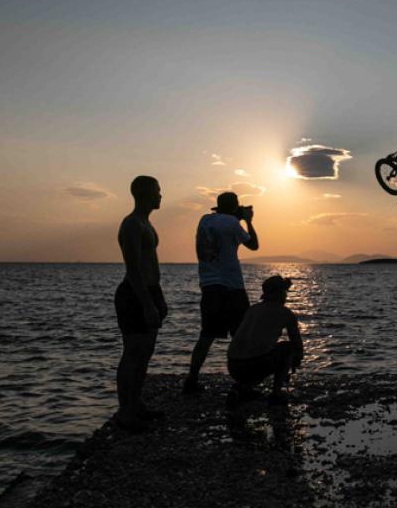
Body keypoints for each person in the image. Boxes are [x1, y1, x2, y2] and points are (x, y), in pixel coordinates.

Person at [183, 191, 259, 394]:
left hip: (208, 286)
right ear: (235, 207)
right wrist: (248, 221)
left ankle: (191, 379)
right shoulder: (233, 224)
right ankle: (242, 383)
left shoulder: (204, 220)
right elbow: (254, 245)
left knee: (207, 335)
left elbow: (222, 228)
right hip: (231, 286)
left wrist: (236, 215)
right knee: (240, 335)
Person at [114, 175, 169, 430]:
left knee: (145, 353)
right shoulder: (132, 225)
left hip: (151, 291)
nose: (160, 195)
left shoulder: (146, 223)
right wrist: (147, 303)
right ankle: (126, 412)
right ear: (144, 193)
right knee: (133, 353)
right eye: (157, 191)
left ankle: (136, 404)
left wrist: (157, 298)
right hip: (135, 294)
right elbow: (133, 268)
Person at [227, 274, 303, 406]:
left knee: (257, 353)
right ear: (282, 294)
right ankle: (276, 394)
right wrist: (294, 363)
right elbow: (297, 344)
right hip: (255, 365)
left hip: (233, 365)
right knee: (288, 348)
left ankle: (243, 388)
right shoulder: (285, 313)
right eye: (285, 292)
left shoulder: (252, 309)